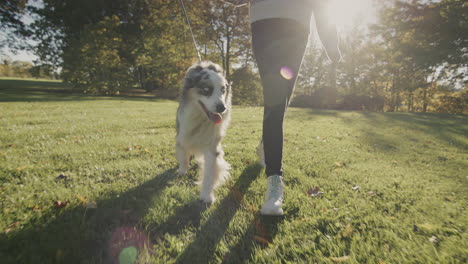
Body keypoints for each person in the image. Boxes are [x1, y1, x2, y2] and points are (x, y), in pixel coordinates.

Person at [249, 0, 341, 215]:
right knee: (275, 100)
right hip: (263, 22)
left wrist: (331, 44)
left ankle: (266, 144)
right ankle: (274, 179)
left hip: (296, 25)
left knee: (281, 99)